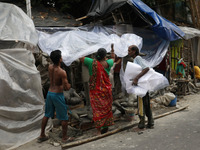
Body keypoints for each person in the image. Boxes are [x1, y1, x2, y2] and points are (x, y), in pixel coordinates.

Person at [37, 50, 73, 143]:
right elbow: (66, 88)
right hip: (57, 95)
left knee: (47, 114)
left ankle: (42, 135)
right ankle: (64, 137)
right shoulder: (62, 72)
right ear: (60, 59)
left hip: (50, 93)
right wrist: (68, 84)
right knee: (64, 117)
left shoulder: (50, 67)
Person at [79, 44, 115, 135]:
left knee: (97, 110)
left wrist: (84, 48)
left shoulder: (91, 62)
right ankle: (105, 127)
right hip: (106, 91)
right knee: (106, 109)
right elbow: (113, 58)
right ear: (104, 56)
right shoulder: (108, 63)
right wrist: (112, 49)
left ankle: (98, 131)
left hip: (96, 91)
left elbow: (80, 58)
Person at [128, 45, 154, 129]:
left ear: (134, 51)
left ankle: (142, 122)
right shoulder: (136, 59)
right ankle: (150, 122)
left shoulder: (137, 58)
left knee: (141, 103)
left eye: (129, 51)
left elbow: (146, 68)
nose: (128, 52)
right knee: (146, 103)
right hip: (143, 85)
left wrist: (136, 78)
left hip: (141, 85)